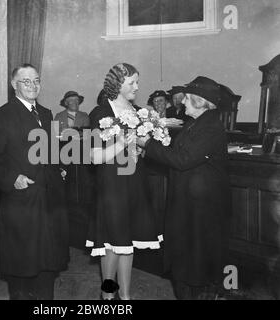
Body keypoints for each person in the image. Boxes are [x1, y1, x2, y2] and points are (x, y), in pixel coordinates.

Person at [0, 63, 69, 300]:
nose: (33, 85)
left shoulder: (46, 114)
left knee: (47, 266)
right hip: (21, 203)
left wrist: (58, 168)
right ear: (13, 85)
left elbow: (49, 152)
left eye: (36, 80)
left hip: (49, 202)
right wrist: (11, 179)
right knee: (22, 267)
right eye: (26, 81)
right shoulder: (1, 117)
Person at [137, 76, 231, 300]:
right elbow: (177, 153)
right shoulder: (196, 123)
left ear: (201, 102)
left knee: (195, 260)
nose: (182, 103)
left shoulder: (210, 126)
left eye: (187, 98)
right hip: (189, 203)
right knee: (185, 258)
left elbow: (182, 159)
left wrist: (147, 144)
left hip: (201, 207)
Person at [86, 63, 162, 300]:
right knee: (112, 244)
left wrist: (144, 146)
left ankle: (126, 298)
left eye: (137, 82)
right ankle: (108, 297)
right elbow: (94, 157)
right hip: (112, 185)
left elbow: (145, 149)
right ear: (117, 84)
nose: (137, 88)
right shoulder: (100, 113)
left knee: (128, 243)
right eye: (132, 83)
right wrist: (122, 144)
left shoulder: (139, 111)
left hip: (135, 182)